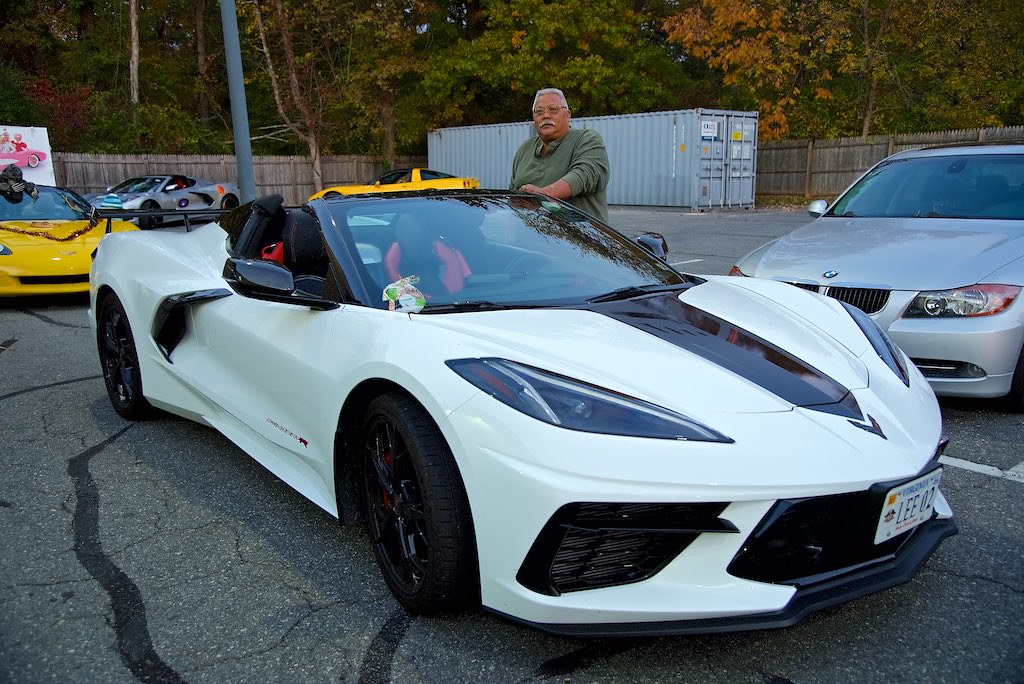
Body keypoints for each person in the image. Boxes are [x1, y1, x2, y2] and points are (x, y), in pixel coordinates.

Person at [509, 87, 610, 222]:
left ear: (567, 115)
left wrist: (543, 194)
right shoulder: (525, 148)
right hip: (528, 240)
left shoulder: (586, 139)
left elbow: (584, 175)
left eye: (553, 109)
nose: (545, 115)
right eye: (539, 111)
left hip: (579, 240)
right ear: (534, 118)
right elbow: (511, 198)